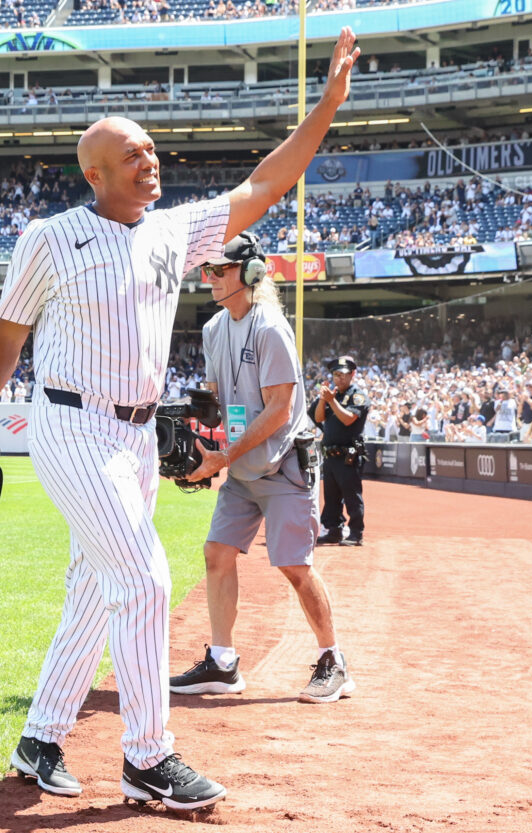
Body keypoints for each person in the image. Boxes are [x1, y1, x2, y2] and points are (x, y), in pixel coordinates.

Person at [0, 28, 361, 812]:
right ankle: (148, 756)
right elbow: (6, 338)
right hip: (71, 425)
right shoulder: (51, 238)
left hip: (137, 434)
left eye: (151, 149)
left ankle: (40, 738)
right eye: (132, 153)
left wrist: (327, 105)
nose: (150, 159)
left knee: (93, 587)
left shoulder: (176, 230)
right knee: (144, 578)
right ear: (94, 173)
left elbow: (266, 184)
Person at [167, 231, 355, 705]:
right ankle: (223, 663)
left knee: (294, 565)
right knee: (217, 553)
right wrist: (195, 433)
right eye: (207, 270)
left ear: (250, 274)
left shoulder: (271, 327)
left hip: (283, 466)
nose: (209, 279)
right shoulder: (213, 330)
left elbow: (278, 409)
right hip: (242, 467)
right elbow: (215, 401)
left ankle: (334, 660)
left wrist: (222, 457)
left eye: (219, 270)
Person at [312, 354, 369, 546]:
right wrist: (323, 400)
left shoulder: (357, 395)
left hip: (348, 456)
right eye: (336, 374)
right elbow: (319, 418)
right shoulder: (331, 394)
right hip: (330, 455)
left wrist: (332, 401)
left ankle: (355, 533)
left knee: (352, 496)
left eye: (343, 374)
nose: (340, 378)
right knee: (331, 498)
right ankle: (333, 530)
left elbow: (348, 419)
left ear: (352, 374)